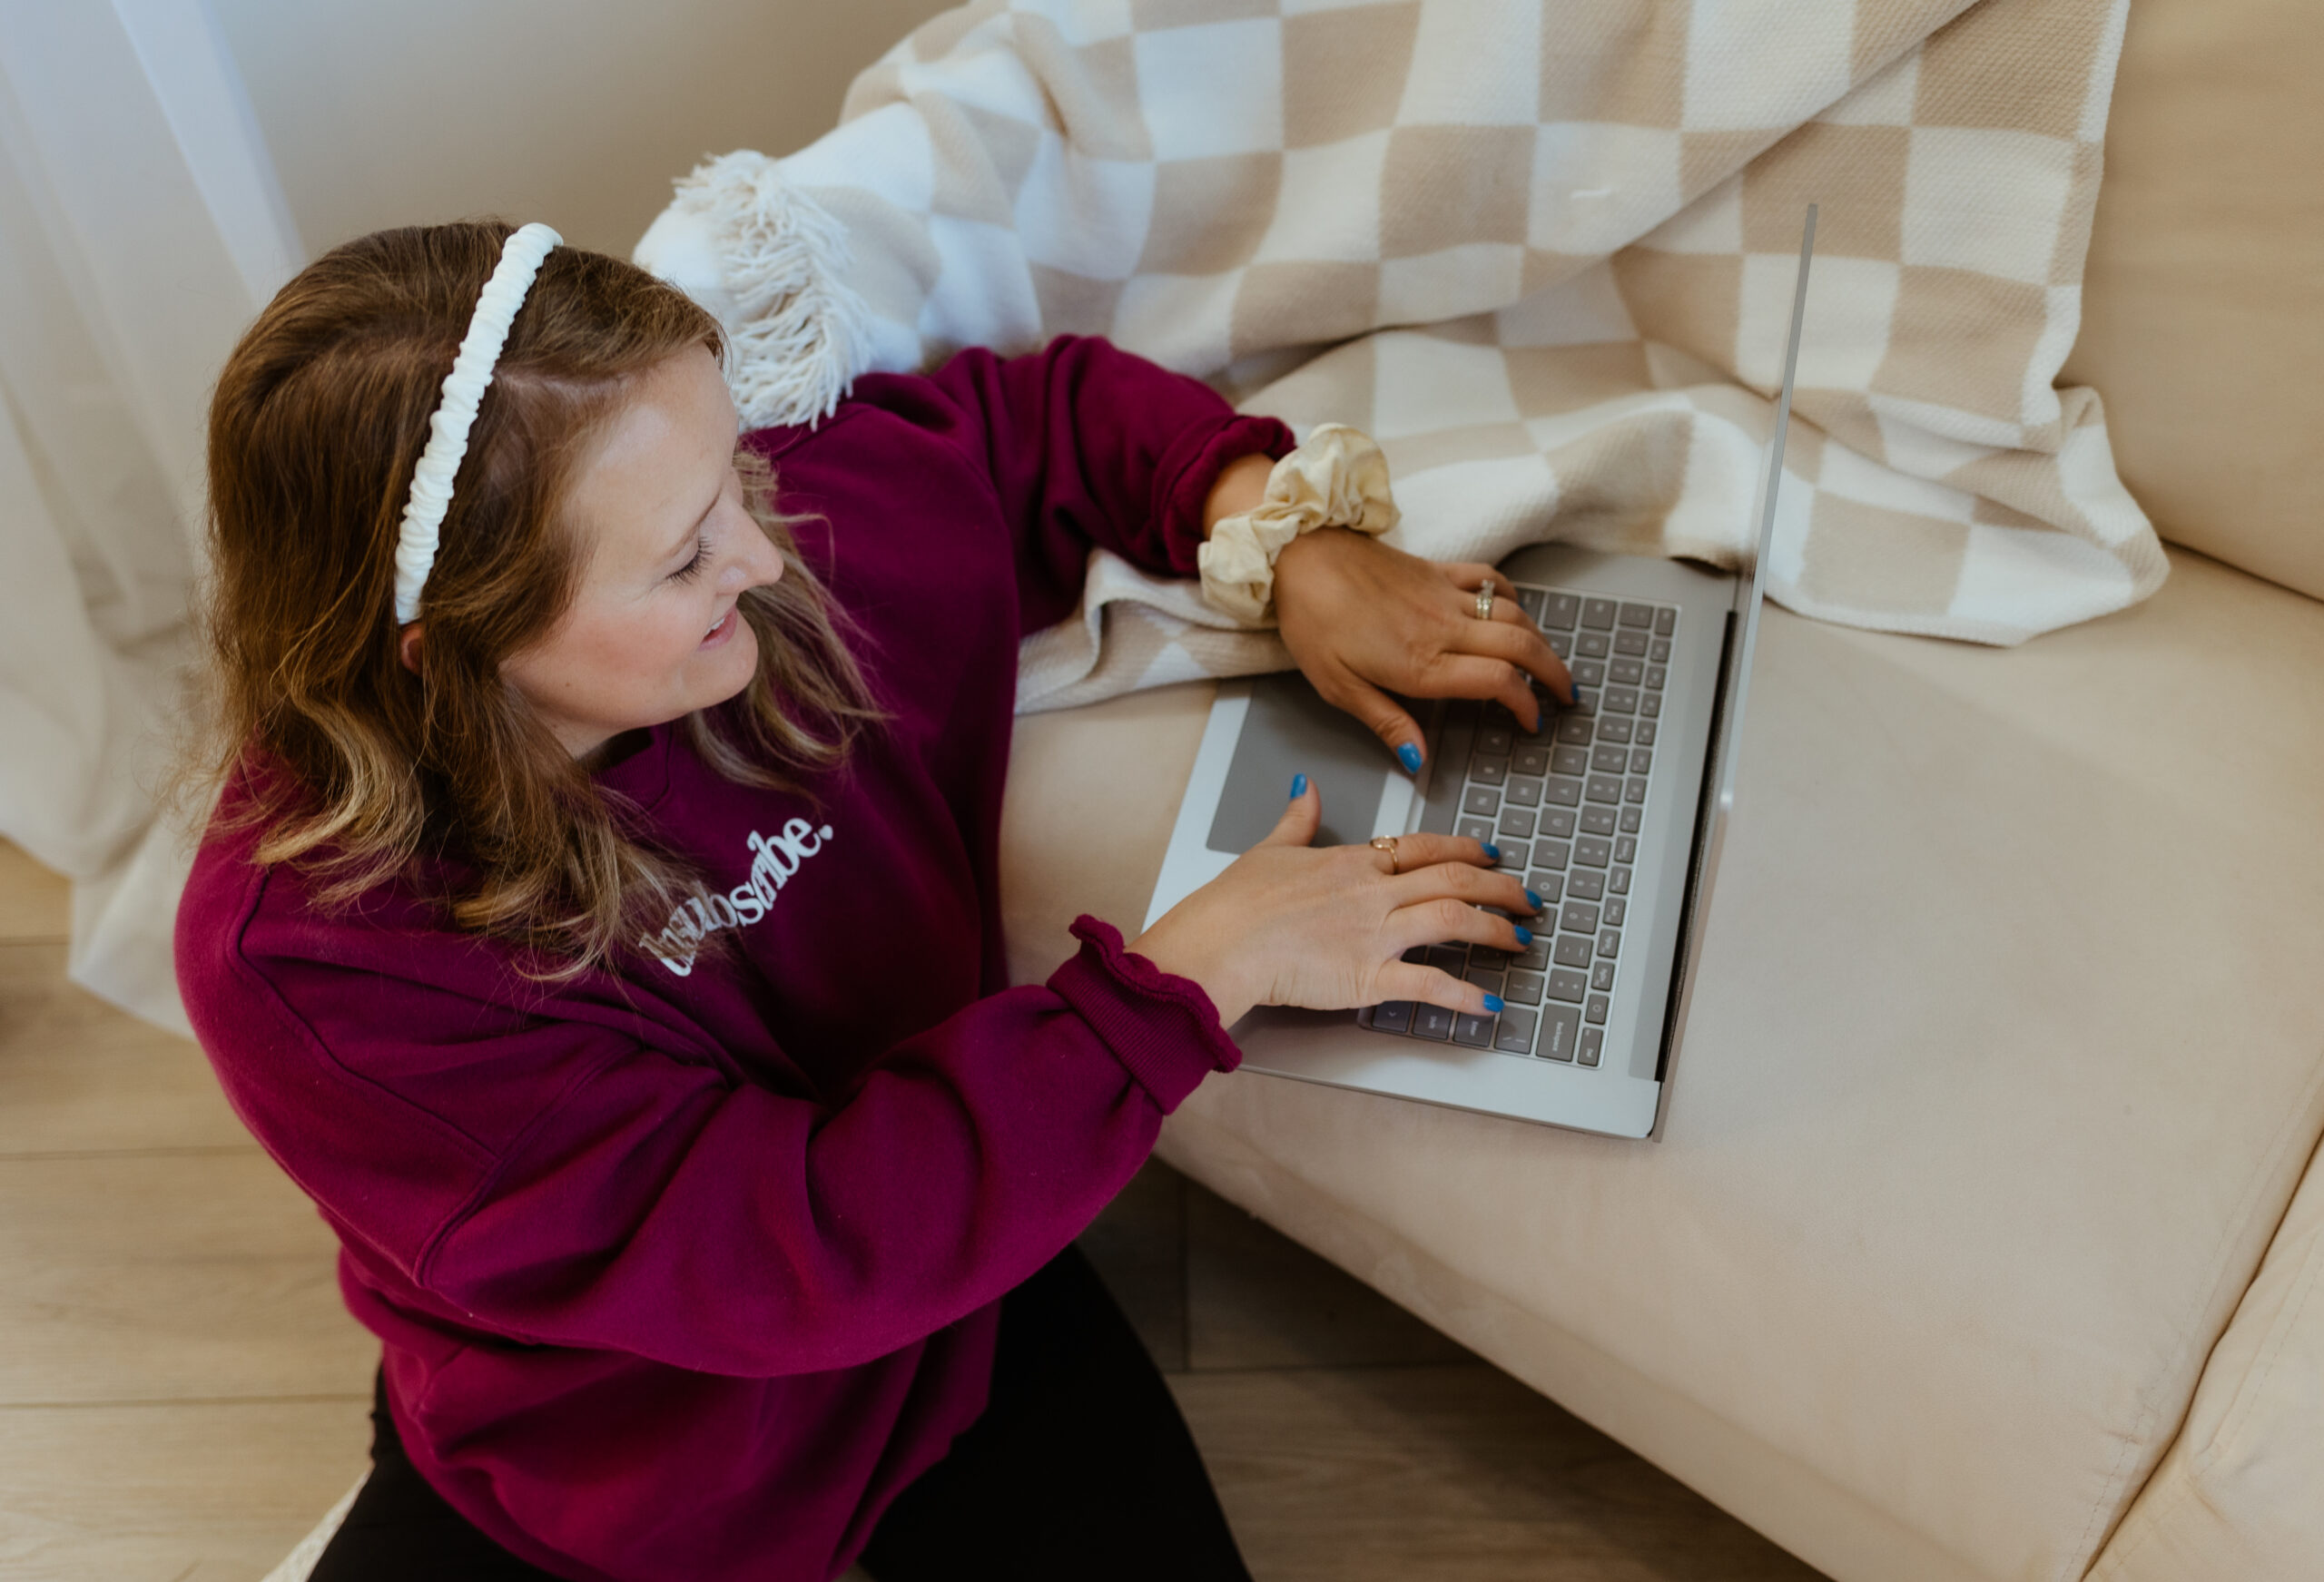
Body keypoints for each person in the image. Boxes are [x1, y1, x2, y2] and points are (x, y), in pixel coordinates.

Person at [176, 221, 1571, 1582]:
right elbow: (790, 1251)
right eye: (684, 558)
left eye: (733, 472)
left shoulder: (788, 543)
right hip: (620, 1454)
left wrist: (1285, 535)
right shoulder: (311, 961)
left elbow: (1039, 426)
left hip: (960, 1303)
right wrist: (1196, 974)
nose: (762, 556)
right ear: (450, 656)